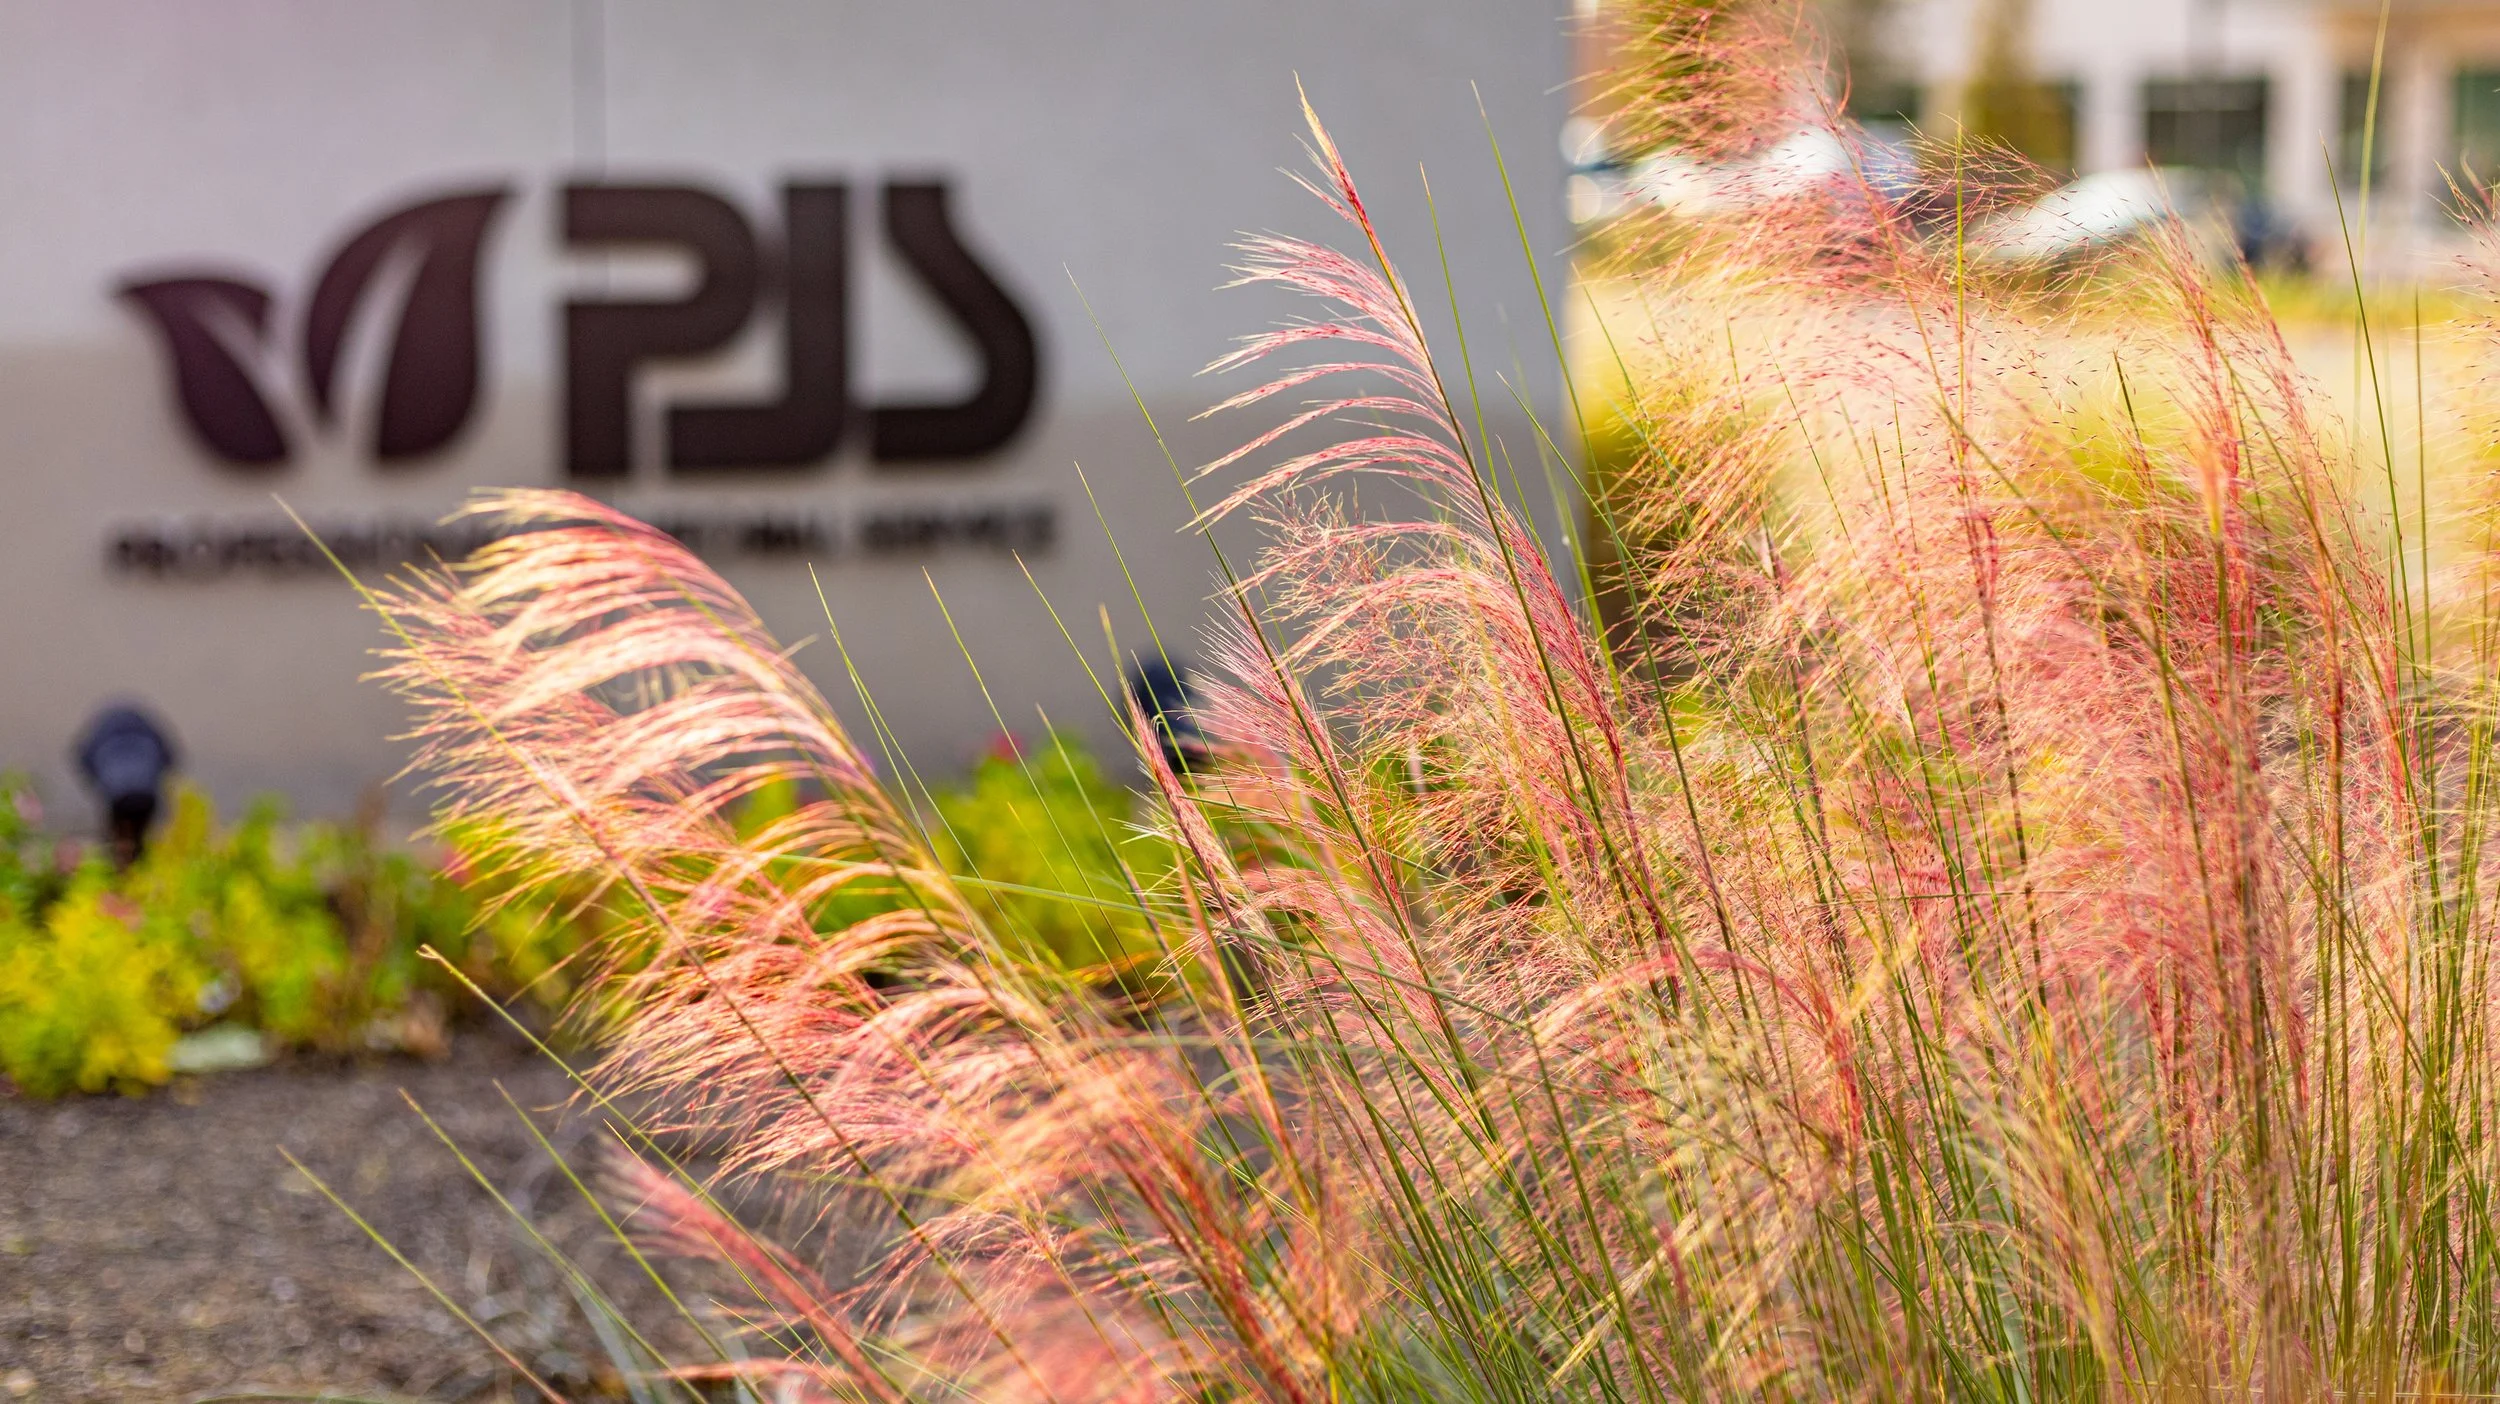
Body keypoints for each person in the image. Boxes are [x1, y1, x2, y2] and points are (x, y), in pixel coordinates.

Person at [73, 704, 179, 866]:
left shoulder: (102, 732)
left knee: (117, 834)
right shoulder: (148, 731)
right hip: (146, 792)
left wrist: (100, 781)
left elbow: (84, 757)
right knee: (141, 835)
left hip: (117, 793)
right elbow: (170, 757)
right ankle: (139, 861)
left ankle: (119, 860)